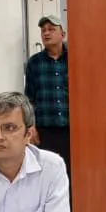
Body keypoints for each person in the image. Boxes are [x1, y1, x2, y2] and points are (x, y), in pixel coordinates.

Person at [24, 15, 70, 179]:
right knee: (47, 174)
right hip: (45, 130)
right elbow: (29, 98)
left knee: (70, 174)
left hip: (72, 129)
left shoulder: (75, 59)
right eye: (43, 30)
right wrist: (30, 125)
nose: (46, 33)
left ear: (62, 34)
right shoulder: (34, 63)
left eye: (51, 29)